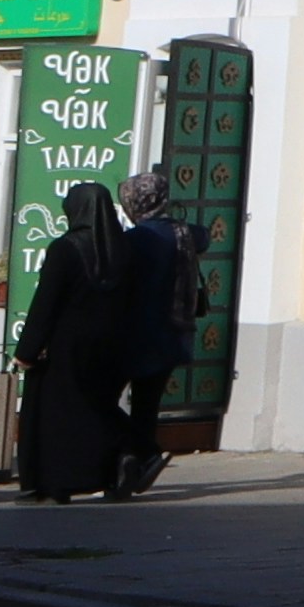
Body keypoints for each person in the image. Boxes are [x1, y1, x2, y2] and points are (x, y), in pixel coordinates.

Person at [13, 180, 142, 506]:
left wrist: (27, 351)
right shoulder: (124, 249)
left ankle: (50, 483)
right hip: (114, 345)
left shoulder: (66, 249)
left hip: (66, 346)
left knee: (53, 414)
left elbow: (46, 303)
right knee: (95, 408)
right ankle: (114, 463)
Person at [114, 164, 199, 498]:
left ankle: (142, 455)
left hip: (139, 332)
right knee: (147, 405)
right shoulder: (185, 233)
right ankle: (131, 470)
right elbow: (204, 236)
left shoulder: (139, 239)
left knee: (103, 400)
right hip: (176, 332)